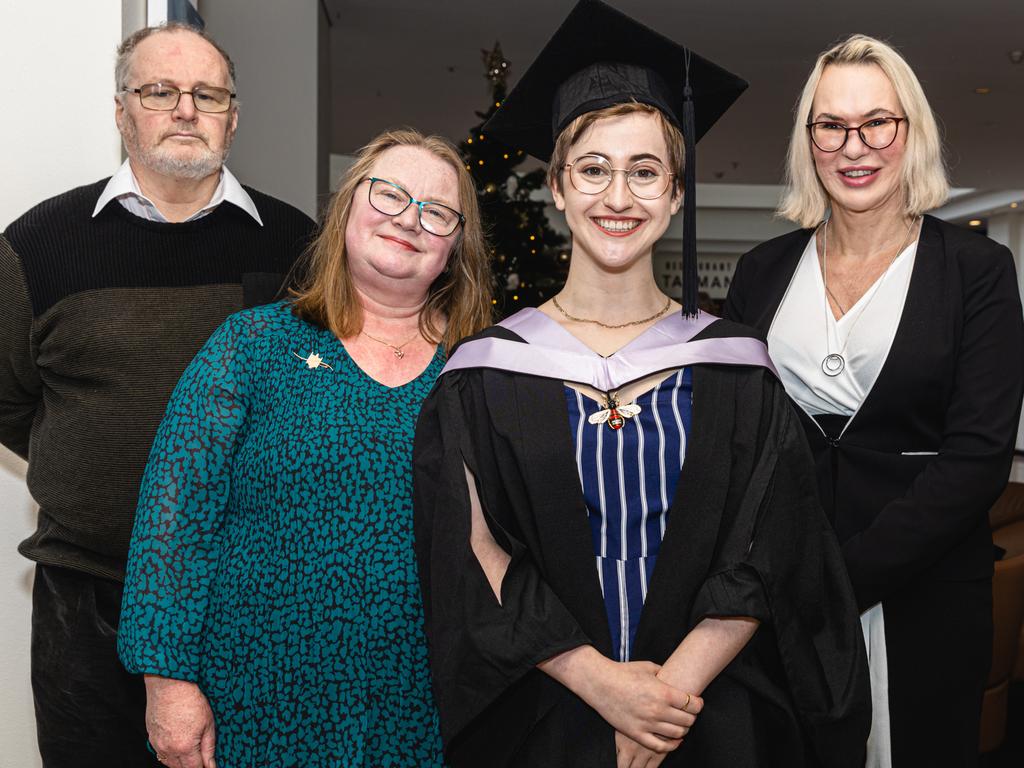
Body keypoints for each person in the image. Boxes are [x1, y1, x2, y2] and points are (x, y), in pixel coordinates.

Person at [413, 2, 871, 767]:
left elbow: (772, 547)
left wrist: (662, 701)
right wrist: (602, 686)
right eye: (592, 169)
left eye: (645, 171)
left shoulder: (736, 368)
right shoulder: (485, 373)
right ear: (557, 188)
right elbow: (472, 552)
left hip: (709, 718)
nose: (618, 198)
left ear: (677, 195)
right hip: (548, 717)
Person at [117, 127, 492, 767]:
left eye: (437, 212)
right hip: (258, 697)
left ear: (456, 247)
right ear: (347, 207)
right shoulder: (252, 346)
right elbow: (173, 520)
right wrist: (168, 683)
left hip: (431, 706)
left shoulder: (482, 369)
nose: (410, 220)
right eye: (390, 194)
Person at [0, 22, 314, 767]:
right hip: (87, 603)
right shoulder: (37, 245)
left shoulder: (298, 246)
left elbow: (318, 400)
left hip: (248, 596)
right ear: (121, 111)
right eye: (158, 91)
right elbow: (8, 400)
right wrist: (88, 461)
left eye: (206, 94)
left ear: (232, 117)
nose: (184, 109)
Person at [724, 34, 1024, 768]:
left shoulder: (978, 270)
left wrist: (836, 580)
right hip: (781, 593)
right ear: (809, 139)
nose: (854, 146)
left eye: (876, 122)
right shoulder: (762, 271)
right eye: (831, 124)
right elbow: (737, 435)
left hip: (923, 589)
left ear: (909, 131)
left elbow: (979, 457)